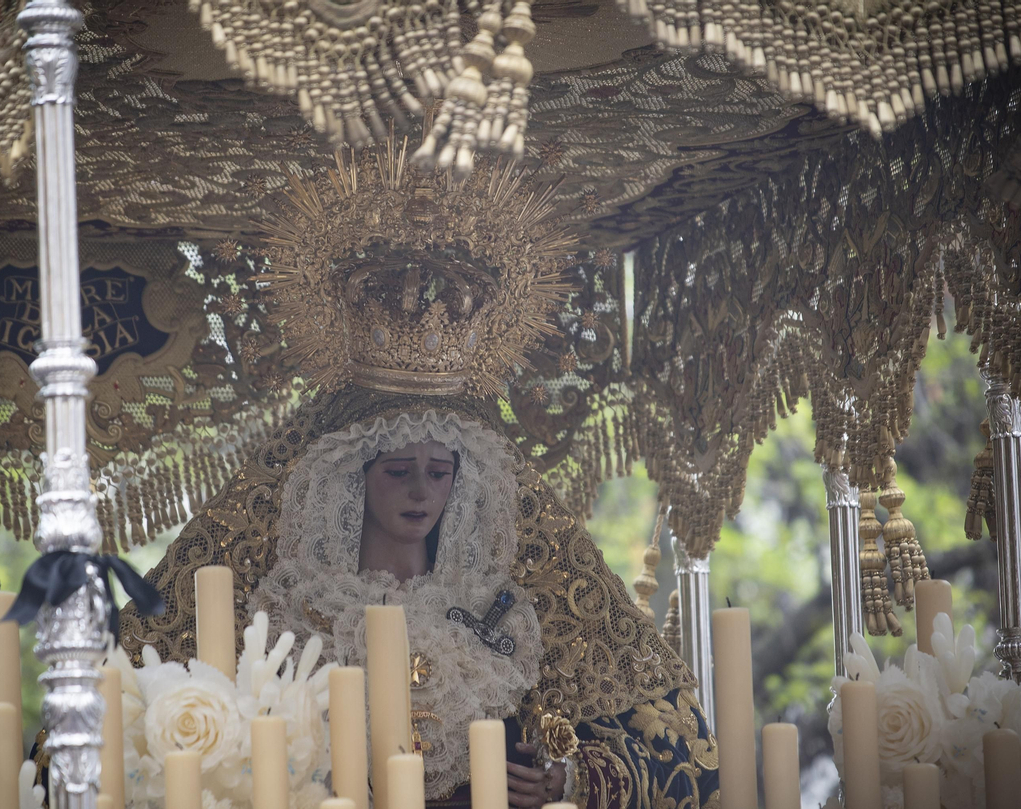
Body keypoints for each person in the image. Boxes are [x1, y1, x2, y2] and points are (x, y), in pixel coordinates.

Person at [117, 145, 720, 809]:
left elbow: (666, 749)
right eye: (399, 469)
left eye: (439, 472)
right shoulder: (292, 609)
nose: (419, 491)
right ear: (353, 478)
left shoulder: (504, 613)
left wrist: (568, 779)